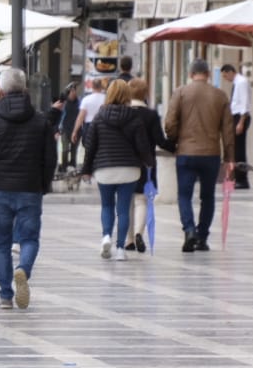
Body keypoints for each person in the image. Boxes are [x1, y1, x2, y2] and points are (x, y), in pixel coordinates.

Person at [0, 67, 57, 309]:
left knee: (2, 244)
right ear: (25, 89)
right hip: (30, 188)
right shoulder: (41, 121)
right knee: (29, 239)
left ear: (0, 90)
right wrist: (43, 184)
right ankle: (23, 269)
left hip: (1, 190)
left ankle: (5, 295)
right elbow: (50, 158)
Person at [164, 59, 233, 252]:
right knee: (208, 197)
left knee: (184, 195)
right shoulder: (220, 95)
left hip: (186, 152)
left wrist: (174, 138)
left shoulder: (181, 92)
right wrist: (230, 158)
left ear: (190, 74)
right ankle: (202, 237)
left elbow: (170, 122)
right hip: (211, 153)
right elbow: (228, 130)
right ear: (208, 74)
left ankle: (189, 230)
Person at [83, 79, 155, 261]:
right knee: (123, 209)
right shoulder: (134, 117)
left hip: (104, 169)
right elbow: (142, 145)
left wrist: (86, 169)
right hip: (129, 169)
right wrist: (148, 161)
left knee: (107, 205)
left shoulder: (99, 117)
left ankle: (106, 236)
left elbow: (90, 145)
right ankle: (121, 249)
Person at [122, 77, 174, 253]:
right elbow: (160, 140)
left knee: (127, 201)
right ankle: (138, 233)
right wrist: (175, 145)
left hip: (125, 162)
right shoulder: (151, 115)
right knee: (141, 200)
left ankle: (128, 240)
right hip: (146, 163)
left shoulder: (122, 112)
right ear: (145, 93)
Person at [222, 63, 252, 189]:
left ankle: (242, 180)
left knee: (239, 150)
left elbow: (244, 103)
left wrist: (241, 122)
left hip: (240, 117)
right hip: (235, 117)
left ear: (230, 72)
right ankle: (238, 178)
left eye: (225, 76)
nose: (225, 78)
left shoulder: (241, 82)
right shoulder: (237, 82)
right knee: (235, 149)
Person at [70, 77, 106, 164]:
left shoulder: (86, 100)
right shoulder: (106, 99)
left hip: (89, 126)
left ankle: (88, 168)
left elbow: (80, 117)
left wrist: (75, 131)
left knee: (89, 150)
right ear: (101, 87)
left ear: (92, 87)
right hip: (103, 126)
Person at [56, 81, 82, 172]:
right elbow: (59, 116)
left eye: (74, 90)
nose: (74, 93)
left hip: (77, 130)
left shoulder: (80, 103)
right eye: (72, 91)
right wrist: (58, 129)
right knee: (65, 149)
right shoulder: (64, 102)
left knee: (74, 150)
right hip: (65, 129)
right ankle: (64, 167)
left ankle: (73, 165)